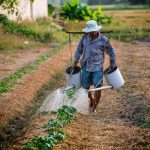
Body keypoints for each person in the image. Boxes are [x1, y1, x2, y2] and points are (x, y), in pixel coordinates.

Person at [73, 20, 117, 113]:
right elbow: (78, 50)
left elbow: (112, 51)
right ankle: (91, 100)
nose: (90, 33)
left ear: (96, 30)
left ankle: (95, 107)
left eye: (91, 31)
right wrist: (75, 61)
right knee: (85, 88)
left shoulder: (103, 40)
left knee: (98, 87)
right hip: (85, 66)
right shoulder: (84, 38)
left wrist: (112, 63)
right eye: (88, 32)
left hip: (97, 67)